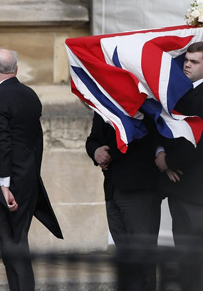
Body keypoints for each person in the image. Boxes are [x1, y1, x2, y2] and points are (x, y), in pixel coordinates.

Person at [0, 48, 62, 291]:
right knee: (10, 238)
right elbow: (35, 141)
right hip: (27, 177)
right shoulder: (30, 95)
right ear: (16, 69)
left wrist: (4, 184)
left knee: (12, 240)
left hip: (10, 179)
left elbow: (1, 142)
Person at [155, 41, 203, 290]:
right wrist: (163, 156)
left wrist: (169, 161)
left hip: (202, 192)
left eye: (194, 61)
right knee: (186, 258)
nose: (187, 65)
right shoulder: (183, 94)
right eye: (186, 60)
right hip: (181, 188)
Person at [85, 112, 161, 291]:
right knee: (125, 256)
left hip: (138, 189)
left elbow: (140, 135)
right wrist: (96, 152)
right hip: (112, 188)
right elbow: (93, 139)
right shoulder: (102, 102)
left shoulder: (140, 97)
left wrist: (109, 154)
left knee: (143, 255)